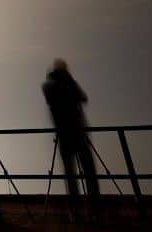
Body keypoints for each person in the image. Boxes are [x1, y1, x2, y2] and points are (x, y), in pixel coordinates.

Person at [42, 59, 99, 221]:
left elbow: (83, 97)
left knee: (78, 174)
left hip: (73, 133)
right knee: (77, 174)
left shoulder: (59, 84)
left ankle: (86, 209)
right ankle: (81, 210)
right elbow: (77, 98)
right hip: (71, 134)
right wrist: (68, 81)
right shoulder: (51, 85)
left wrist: (69, 81)